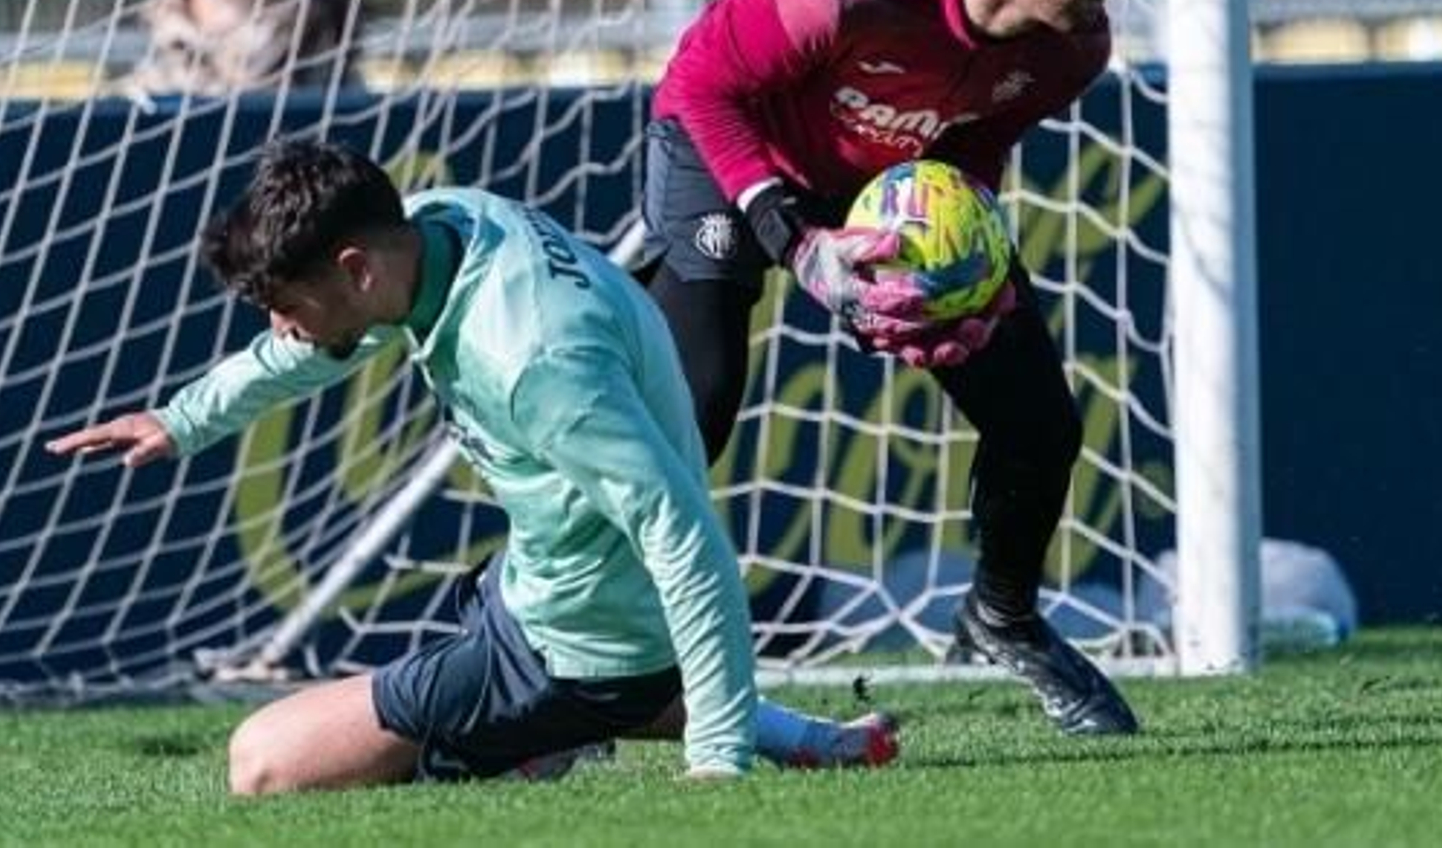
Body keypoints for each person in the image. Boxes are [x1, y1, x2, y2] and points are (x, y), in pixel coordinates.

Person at [47, 139, 897, 793]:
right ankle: (800, 737)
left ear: (355, 268)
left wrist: (716, 765)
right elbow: (323, 347)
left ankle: (561, 729)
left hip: (571, 638)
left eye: (286, 306)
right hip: (543, 582)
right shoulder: (446, 223)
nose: (280, 329)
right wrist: (179, 420)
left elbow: (685, 537)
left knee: (262, 763)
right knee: (574, 651)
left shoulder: (529, 360)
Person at [638, 0, 1146, 735]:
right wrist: (795, 240)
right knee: (689, 409)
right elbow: (704, 89)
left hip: (877, 189)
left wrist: (961, 251)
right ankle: (565, 653)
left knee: (1039, 423)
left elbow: (974, 143)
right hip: (725, 156)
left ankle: (1004, 616)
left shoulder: (1075, 48)